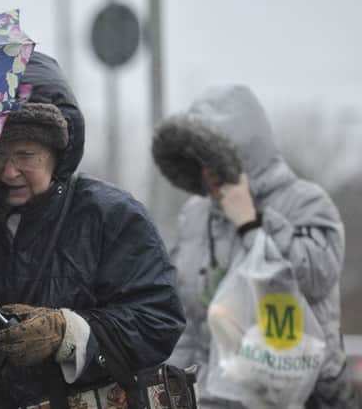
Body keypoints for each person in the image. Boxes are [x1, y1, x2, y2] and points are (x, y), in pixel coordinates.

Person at [0, 51, 186, 409]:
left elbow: (159, 320)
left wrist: (67, 333)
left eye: (26, 154)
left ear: (57, 152)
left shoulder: (112, 216)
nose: (9, 172)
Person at [152, 84, 359, 408]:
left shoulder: (306, 202)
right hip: (218, 394)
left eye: (213, 159)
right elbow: (189, 319)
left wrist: (251, 223)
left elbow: (315, 278)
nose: (208, 173)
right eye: (198, 161)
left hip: (301, 391)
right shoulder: (195, 215)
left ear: (243, 152)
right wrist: (173, 390)